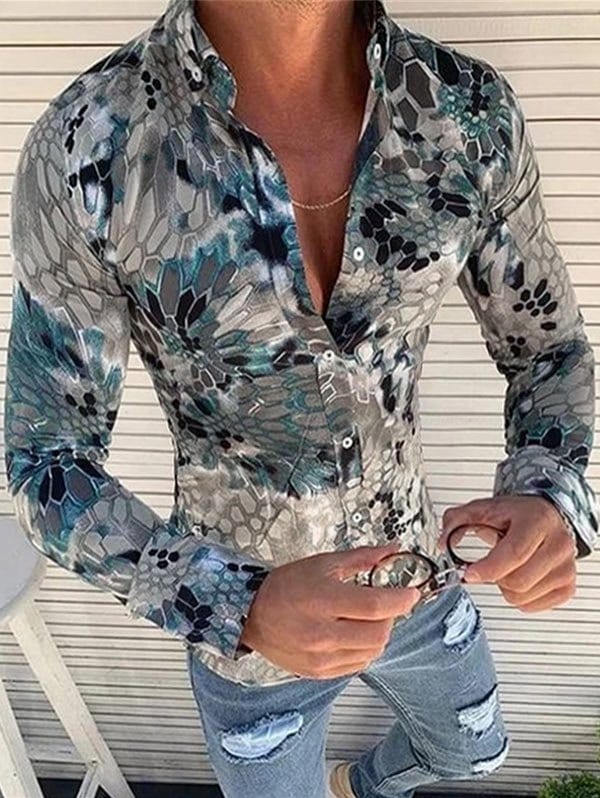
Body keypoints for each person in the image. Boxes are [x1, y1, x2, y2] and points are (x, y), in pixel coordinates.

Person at [4, 0, 597, 795]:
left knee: (474, 752)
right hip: (252, 647)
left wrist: (550, 488)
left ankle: (361, 785)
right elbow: (45, 461)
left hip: (417, 577)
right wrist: (234, 603)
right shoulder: (90, 146)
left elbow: (549, 349)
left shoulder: (466, 112)